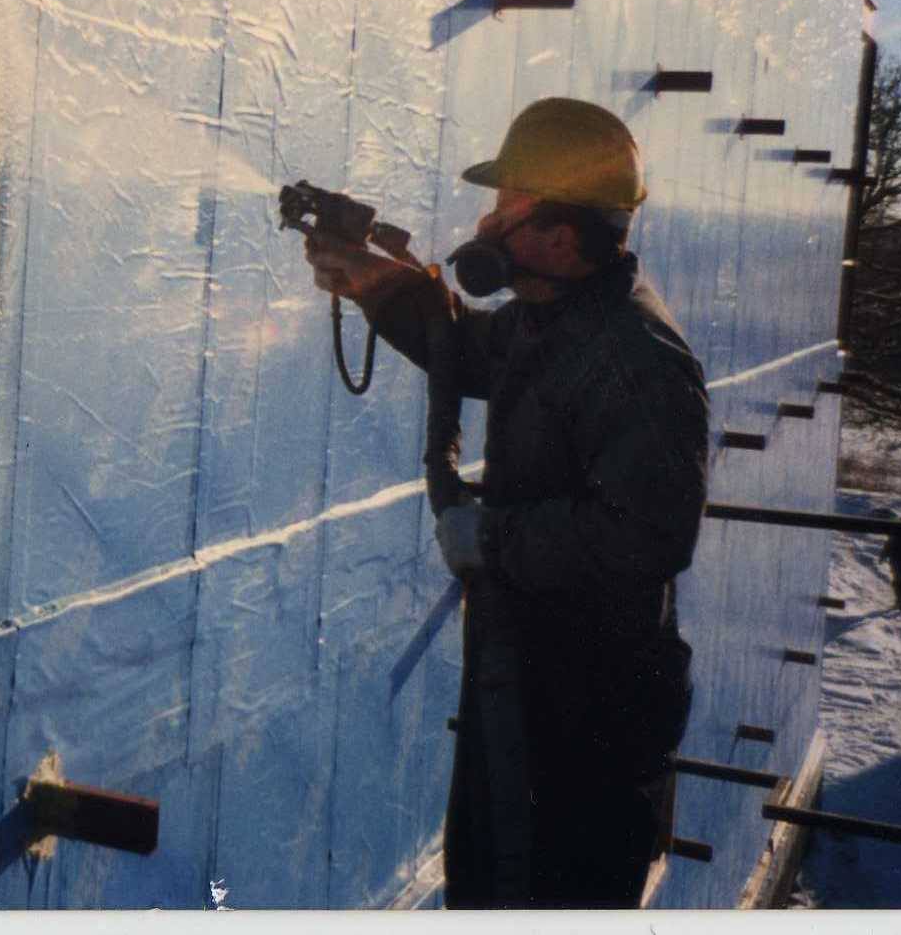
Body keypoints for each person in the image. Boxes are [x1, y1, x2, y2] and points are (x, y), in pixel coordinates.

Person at [304, 98, 710, 907]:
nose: (485, 224)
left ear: (562, 236)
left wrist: (494, 538)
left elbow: (647, 537)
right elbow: (480, 356)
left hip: (588, 722)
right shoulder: (557, 317)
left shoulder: (635, 359)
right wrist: (381, 287)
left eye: (505, 208)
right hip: (530, 684)